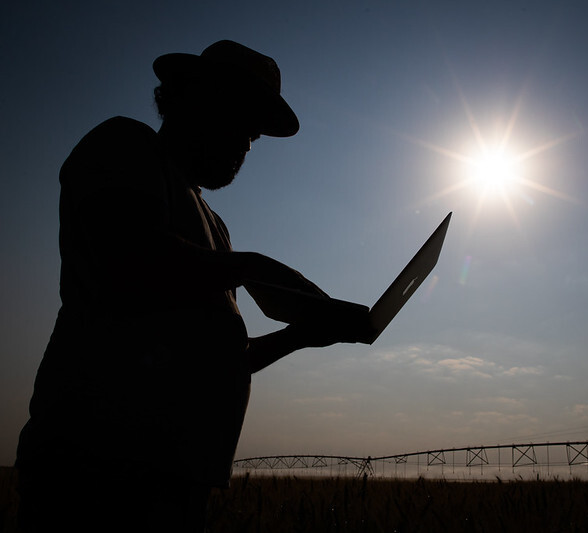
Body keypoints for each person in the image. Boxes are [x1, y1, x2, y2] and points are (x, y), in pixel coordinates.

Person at [15, 40, 356, 532]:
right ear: (191, 99)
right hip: (95, 471)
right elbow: (127, 257)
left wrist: (302, 335)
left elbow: (218, 360)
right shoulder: (124, 145)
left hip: (177, 483)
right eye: (241, 122)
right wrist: (253, 268)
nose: (246, 143)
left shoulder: (214, 226)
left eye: (255, 134)